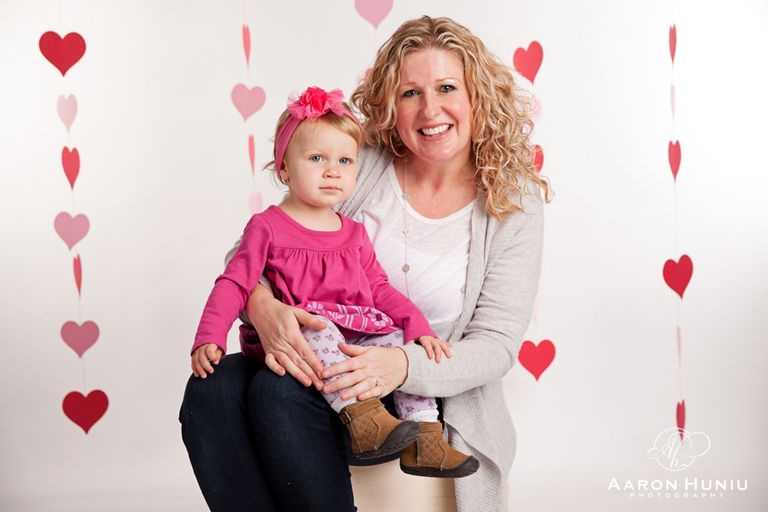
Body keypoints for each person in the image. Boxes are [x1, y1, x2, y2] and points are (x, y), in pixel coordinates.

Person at [180, 15, 550, 512]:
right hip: (317, 352)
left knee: (276, 392)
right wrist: (263, 308)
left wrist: (400, 365)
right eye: (410, 93)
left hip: (413, 390)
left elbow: (497, 344)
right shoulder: (359, 161)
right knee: (212, 390)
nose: (430, 109)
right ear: (390, 106)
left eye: (446, 88)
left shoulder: (512, 201)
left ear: (476, 96)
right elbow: (250, 250)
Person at [190, 85, 479, 477]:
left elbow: (379, 289)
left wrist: (417, 329)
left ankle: (426, 439)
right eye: (316, 158)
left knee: (401, 346)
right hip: (301, 332)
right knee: (319, 327)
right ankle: (364, 422)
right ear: (284, 168)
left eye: (345, 160)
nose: (333, 171)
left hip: (353, 332)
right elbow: (235, 282)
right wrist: (209, 335)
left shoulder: (354, 233)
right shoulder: (268, 226)